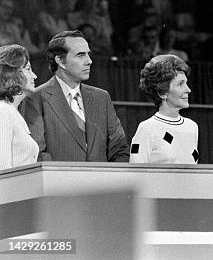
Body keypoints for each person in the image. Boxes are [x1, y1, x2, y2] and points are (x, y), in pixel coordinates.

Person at [22, 31, 129, 162]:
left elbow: (119, 149)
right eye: (80, 55)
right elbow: (38, 153)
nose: (89, 61)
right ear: (60, 61)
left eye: (88, 54)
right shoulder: (36, 99)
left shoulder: (102, 98)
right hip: (60, 181)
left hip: (103, 181)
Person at [130, 55, 199, 164]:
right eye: (180, 84)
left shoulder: (192, 127)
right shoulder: (147, 128)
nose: (188, 90)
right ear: (162, 93)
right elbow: (136, 174)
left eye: (186, 83)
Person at [0, 45, 38, 169]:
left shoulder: (12, 111)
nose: (34, 76)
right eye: (28, 69)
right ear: (11, 73)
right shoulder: (3, 111)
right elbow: (3, 168)